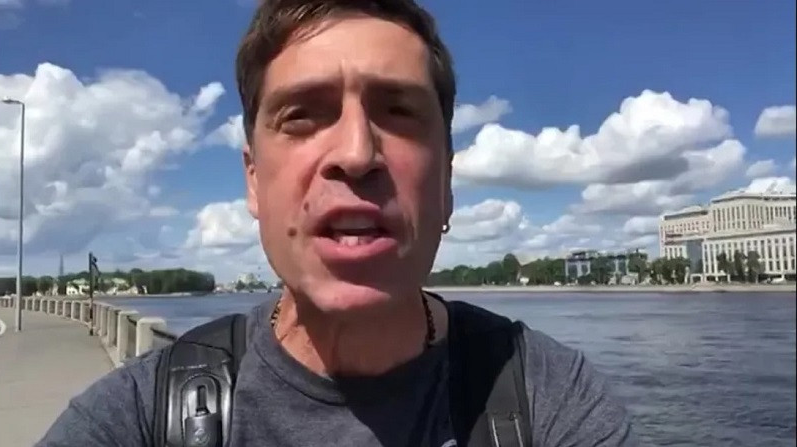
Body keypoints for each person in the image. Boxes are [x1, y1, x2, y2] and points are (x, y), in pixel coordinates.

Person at [37, 0, 637, 446]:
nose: (356, 153)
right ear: (253, 180)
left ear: (447, 182)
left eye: (398, 111)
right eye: (302, 115)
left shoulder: (549, 401)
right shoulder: (139, 416)